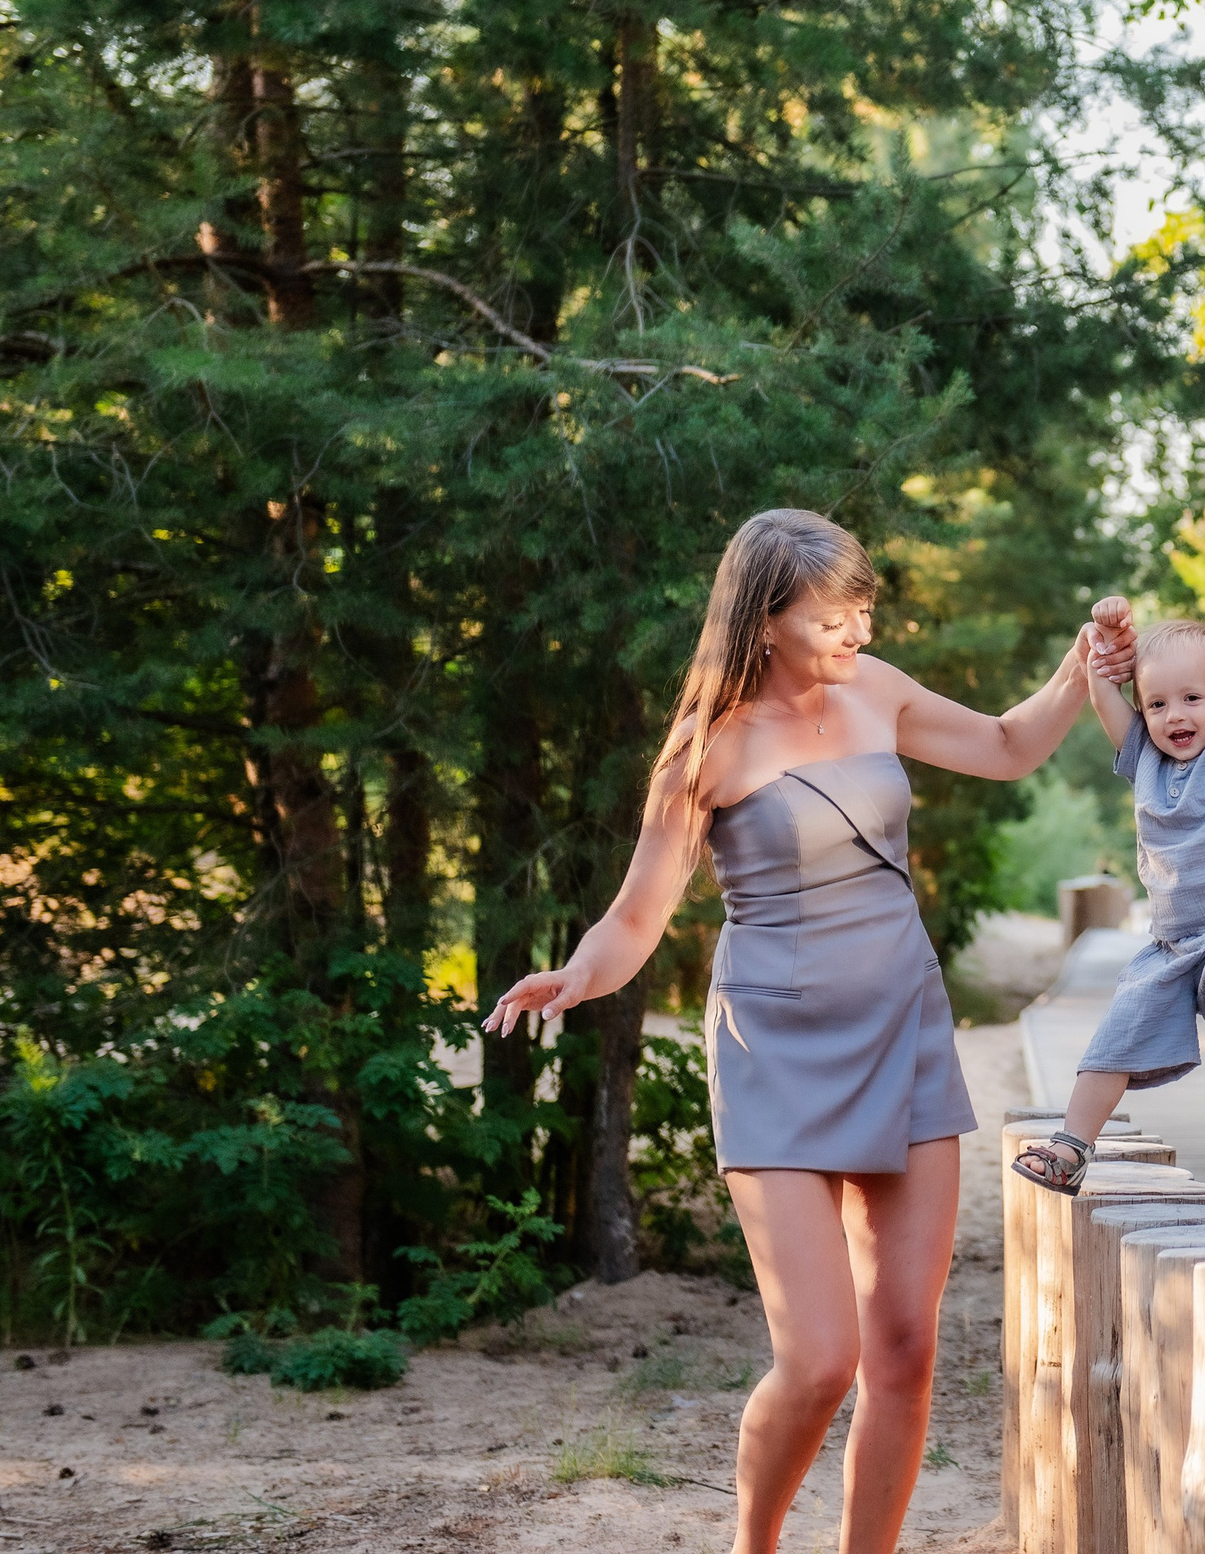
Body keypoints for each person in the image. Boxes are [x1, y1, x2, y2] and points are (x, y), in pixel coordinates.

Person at [480, 508, 1131, 1554]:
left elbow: (1009, 747)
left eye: (863, 608)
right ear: (765, 616)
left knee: (906, 1346)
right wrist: (577, 973)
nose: (857, 630)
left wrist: (1075, 666)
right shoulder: (708, 748)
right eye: (834, 614)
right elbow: (638, 912)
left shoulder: (876, 690)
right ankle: (757, 1543)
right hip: (775, 1049)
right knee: (822, 1356)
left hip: (904, 1030)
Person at [1011, 591, 1205, 1191]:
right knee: (1115, 1036)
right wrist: (1108, 632)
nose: (1175, 716)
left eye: (1193, 699)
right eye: (1158, 704)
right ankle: (1072, 1147)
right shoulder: (1144, 756)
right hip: (1172, 941)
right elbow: (1101, 693)